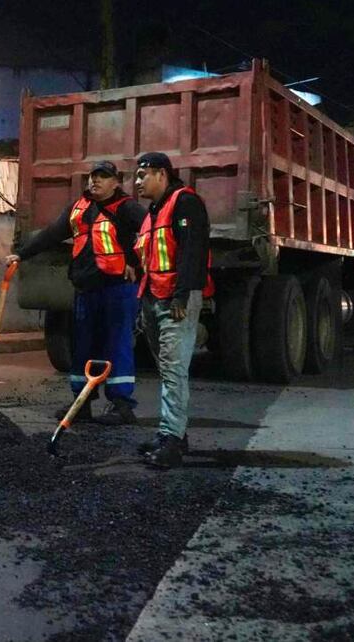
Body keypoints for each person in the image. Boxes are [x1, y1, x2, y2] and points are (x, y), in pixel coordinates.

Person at [4, 160, 147, 425]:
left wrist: (135, 262)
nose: (95, 181)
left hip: (116, 289)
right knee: (84, 347)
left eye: (103, 177)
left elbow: (150, 233)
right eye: (92, 177)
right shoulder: (79, 209)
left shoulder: (127, 208)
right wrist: (21, 254)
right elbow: (52, 234)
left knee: (117, 345)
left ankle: (122, 405)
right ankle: (81, 403)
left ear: (116, 182)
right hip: (86, 289)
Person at [132, 152, 213, 469]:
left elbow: (194, 250)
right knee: (166, 369)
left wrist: (181, 295)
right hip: (154, 299)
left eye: (143, 175)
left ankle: (172, 441)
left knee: (173, 371)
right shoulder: (154, 211)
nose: (137, 182)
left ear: (162, 174)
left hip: (175, 300)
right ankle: (172, 433)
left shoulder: (185, 203)